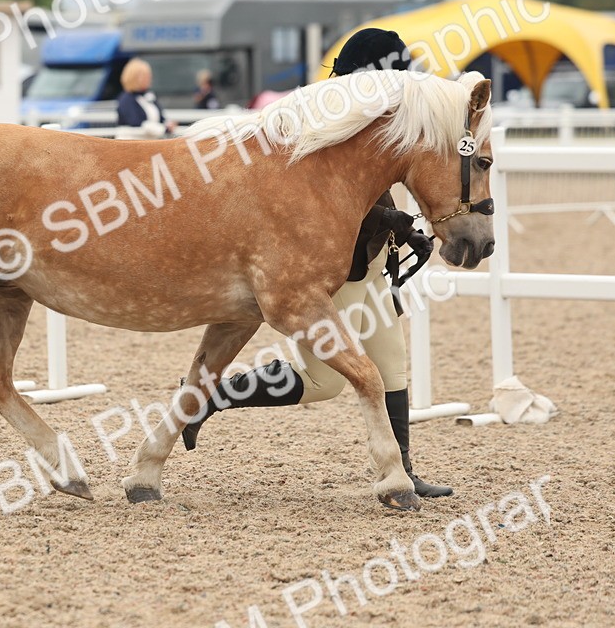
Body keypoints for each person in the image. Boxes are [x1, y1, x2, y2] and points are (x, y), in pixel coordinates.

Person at [180, 27, 454, 502]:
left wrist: (401, 228)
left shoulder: (372, 122)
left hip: (366, 260)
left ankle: (401, 470)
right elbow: (323, 200)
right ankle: (215, 394)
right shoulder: (324, 121)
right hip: (327, 264)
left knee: (393, 364)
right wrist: (394, 218)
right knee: (323, 381)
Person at [115, 57, 174, 139]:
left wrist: (168, 123)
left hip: (150, 143)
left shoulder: (150, 96)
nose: (149, 78)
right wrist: (163, 129)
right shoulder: (126, 99)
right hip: (131, 145)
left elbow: (161, 117)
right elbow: (136, 122)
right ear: (134, 78)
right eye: (146, 76)